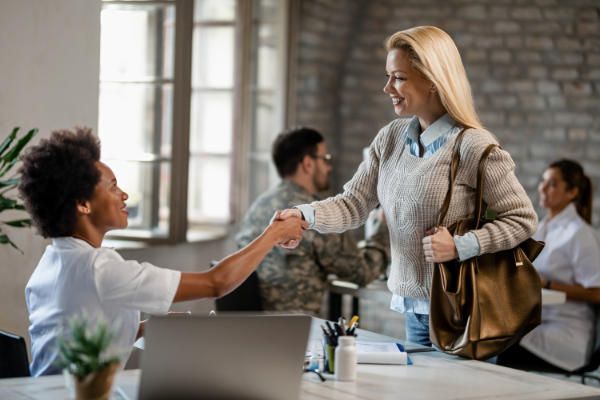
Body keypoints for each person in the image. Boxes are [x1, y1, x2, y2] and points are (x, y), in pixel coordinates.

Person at [276, 25, 537, 346]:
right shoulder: (390, 138)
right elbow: (353, 203)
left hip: (464, 311)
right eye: (388, 76)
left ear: (432, 80)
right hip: (414, 309)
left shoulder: (473, 146)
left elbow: (522, 219)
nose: (387, 87)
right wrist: (302, 215)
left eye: (398, 77)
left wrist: (460, 246)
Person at [19, 128, 306, 376]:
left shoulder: (54, 259)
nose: (124, 195)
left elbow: (74, 335)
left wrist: (147, 327)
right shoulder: (99, 267)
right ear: (83, 203)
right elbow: (215, 283)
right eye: (113, 187)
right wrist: (274, 234)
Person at [235, 127, 389, 314]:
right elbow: (362, 271)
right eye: (326, 160)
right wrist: (382, 230)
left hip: (252, 328)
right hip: (296, 332)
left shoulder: (259, 205)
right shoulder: (310, 216)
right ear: (308, 164)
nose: (329, 167)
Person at [497, 159, 600, 372]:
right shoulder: (541, 228)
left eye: (552, 184)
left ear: (572, 192)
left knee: (497, 349)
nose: (542, 187)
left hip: (566, 334)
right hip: (536, 322)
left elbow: (596, 293)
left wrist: (548, 284)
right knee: (489, 335)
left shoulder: (580, 234)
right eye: (543, 181)